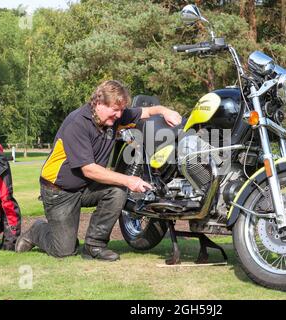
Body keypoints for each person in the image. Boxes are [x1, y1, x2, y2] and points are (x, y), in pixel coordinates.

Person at [15, 80, 182, 261]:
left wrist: (166, 111)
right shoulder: (77, 123)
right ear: (99, 103)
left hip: (86, 186)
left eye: (121, 110)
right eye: (115, 110)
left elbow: (147, 111)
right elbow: (89, 170)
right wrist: (129, 180)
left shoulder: (116, 117)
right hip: (59, 191)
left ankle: (94, 246)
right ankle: (36, 230)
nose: (119, 115)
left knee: (117, 191)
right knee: (64, 250)